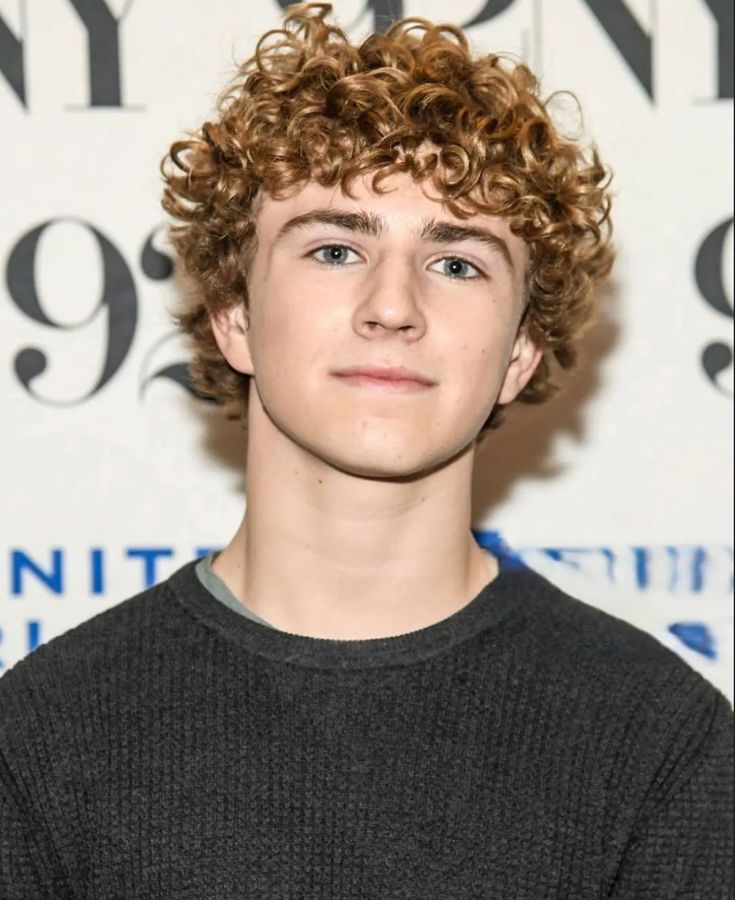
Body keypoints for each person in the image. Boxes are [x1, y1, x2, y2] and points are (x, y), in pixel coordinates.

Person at [1, 3, 732, 897]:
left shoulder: (657, 743)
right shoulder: (42, 736)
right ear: (234, 315)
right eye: (336, 249)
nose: (393, 306)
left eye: (457, 263)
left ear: (519, 353)